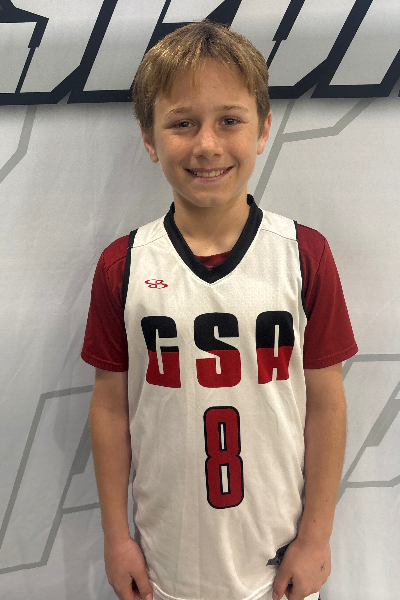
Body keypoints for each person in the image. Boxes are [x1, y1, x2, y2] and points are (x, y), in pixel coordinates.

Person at [81, 20, 358, 600]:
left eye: (229, 120)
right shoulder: (122, 265)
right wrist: (114, 536)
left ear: (263, 128)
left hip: (278, 563)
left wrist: (317, 537)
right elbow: (109, 408)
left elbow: (327, 405)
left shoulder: (303, 254)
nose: (207, 144)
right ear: (149, 137)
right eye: (182, 123)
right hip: (165, 564)